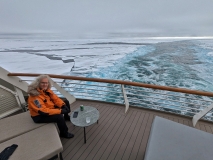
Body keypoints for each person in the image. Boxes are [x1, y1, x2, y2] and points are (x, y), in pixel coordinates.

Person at [27, 74, 74, 138]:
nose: (45, 84)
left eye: (46, 83)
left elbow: (56, 99)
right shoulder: (34, 97)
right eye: (43, 83)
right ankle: (64, 133)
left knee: (65, 102)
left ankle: (66, 117)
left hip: (48, 108)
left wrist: (62, 105)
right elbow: (43, 111)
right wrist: (60, 111)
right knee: (59, 117)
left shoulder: (46, 90)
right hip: (39, 116)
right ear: (38, 83)